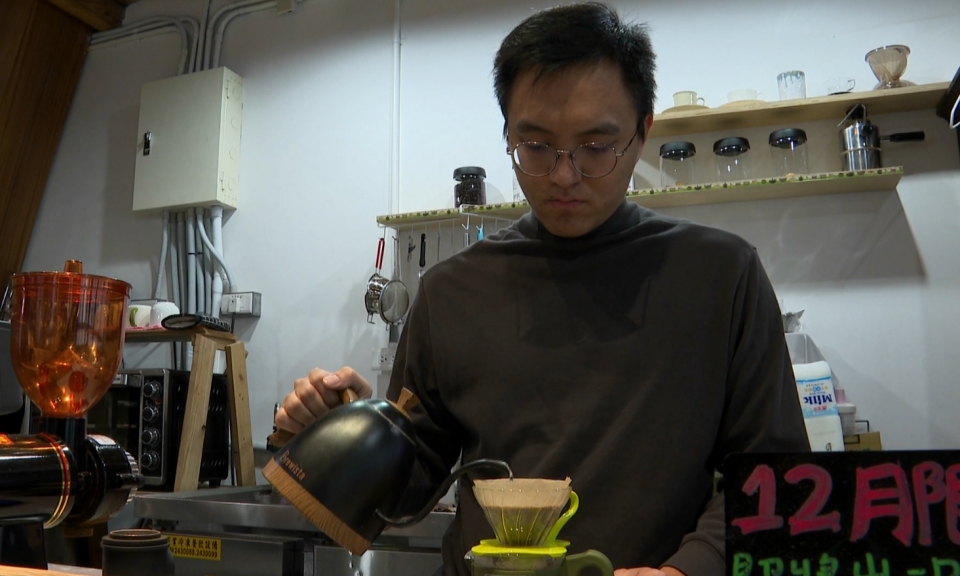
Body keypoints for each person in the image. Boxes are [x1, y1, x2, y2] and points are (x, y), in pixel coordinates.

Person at [275, 3, 809, 575]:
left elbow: (775, 476)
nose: (563, 175)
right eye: (535, 146)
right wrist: (346, 428)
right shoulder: (451, 292)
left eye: (596, 147)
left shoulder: (721, 275)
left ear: (642, 133)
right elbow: (410, 490)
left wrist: (690, 568)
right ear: (508, 134)